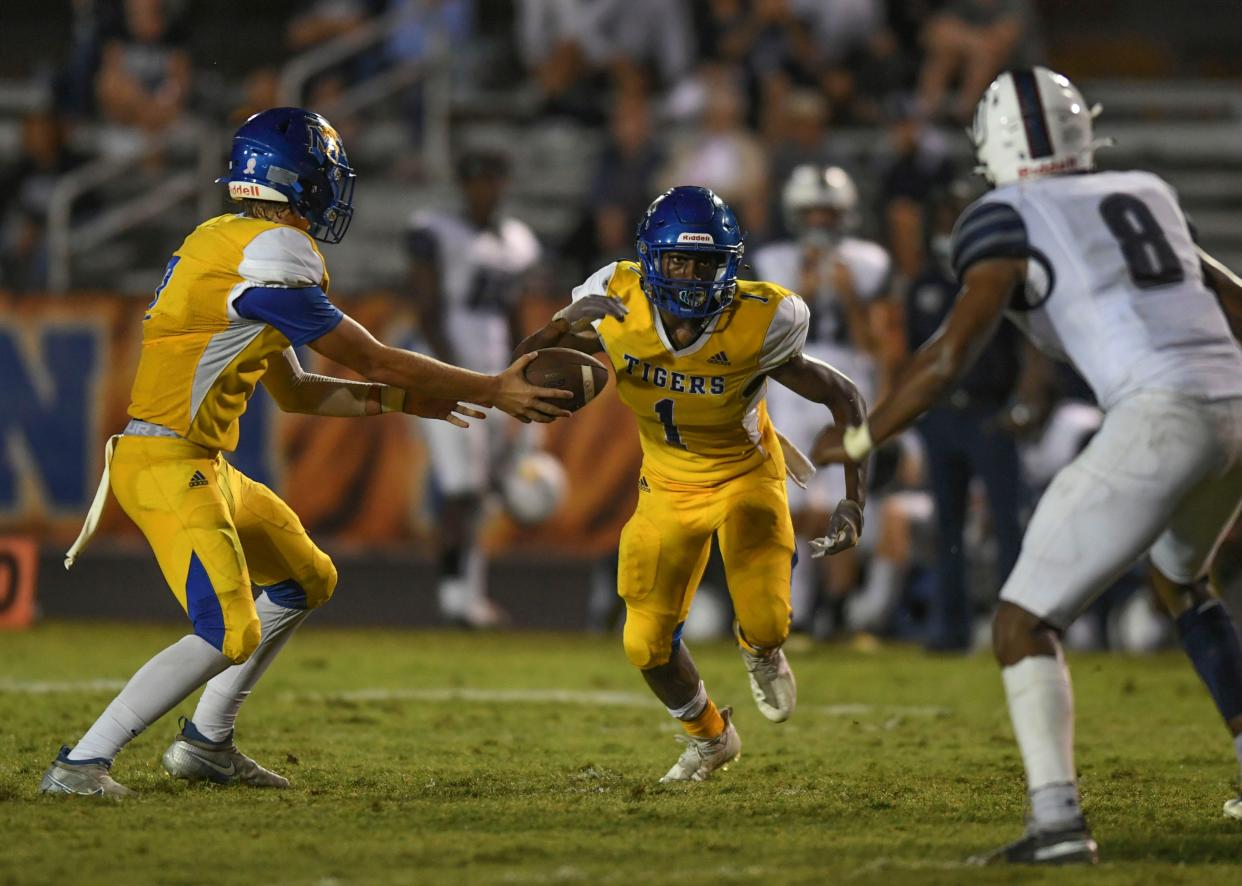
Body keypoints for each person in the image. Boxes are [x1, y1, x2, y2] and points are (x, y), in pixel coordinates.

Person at [38, 107, 570, 799]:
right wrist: (493, 387)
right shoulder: (272, 254)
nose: (333, 192)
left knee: (306, 578)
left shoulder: (226, 242)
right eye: (325, 177)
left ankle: (207, 743)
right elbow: (372, 356)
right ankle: (82, 761)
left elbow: (295, 392)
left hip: (202, 463)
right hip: (166, 464)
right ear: (294, 180)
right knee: (229, 627)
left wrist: (413, 401)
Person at [813, 68, 1242, 863]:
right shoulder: (1144, 189)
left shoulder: (1004, 214)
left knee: (1020, 623)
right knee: (1181, 582)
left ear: (995, 142)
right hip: (1235, 407)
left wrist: (863, 438)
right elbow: (1233, 299)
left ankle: (1056, 824)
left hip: (1163, 410)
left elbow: (949, 355)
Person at [515, 185, 868, 782]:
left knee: (769, 624)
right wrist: (555, 328)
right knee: (644, 643)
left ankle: (760, 651)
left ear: (729, 264)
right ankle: (711, 738)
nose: (691, 277)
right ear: (651, 260)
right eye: (678, 260)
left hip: (745, 476)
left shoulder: (761, 320)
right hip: (666, 484)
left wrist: (855, 497)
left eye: (705, 263)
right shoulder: (614, 302)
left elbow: (847, 399)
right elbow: (516, 375)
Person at [400, 149, 543, 628]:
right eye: (480, 180)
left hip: (494, 376)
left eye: (495, 179)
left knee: (480, 491)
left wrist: (522, 367)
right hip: (449, 373)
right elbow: (426, 308)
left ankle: (468, 595)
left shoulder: (517, 241)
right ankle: (452, 595)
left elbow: (512, 313)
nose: (488, 190)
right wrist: (452, 375)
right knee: (461, 488)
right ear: (464, 185)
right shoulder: (436, 232)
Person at [756, 165, 891, 631]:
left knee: (840, 498)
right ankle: (795, 605)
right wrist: (803, 292)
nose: (819, 222)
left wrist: (850, 297)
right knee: (792, 499)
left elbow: (877, 339)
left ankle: (833, 612)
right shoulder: (772, 260)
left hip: (850, 374)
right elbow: (762, 334)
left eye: (827, 213)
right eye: (811, 212)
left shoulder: (868, 260)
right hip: (792, 375)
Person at [903, 179, 1027, 651]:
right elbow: (914, 356)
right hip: (942, 417)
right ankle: (950, 627)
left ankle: (1017, 628)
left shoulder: (1000, 274)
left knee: (1006, 522)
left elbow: (1030, 346)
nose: (949, 227)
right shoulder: (926, 285)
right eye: (944, 216)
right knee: (947, 527)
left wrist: (1021, 403)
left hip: (990, 412)